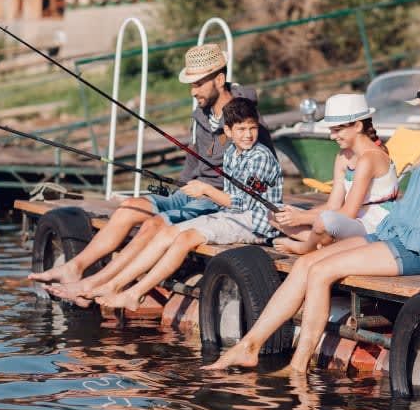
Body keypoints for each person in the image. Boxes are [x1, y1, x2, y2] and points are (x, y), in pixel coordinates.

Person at [203, 73, 420, 373]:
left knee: (321, 272)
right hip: (401, 234)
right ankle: (249, 345)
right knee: (306, 264)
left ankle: (297, 366)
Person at [29, 43, 274, 290]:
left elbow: (264, 169)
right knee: (129, 207)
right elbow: (193, 162)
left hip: (215, 200)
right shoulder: (201, 115)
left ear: (219, 79)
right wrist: (170, 190)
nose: (193, 91)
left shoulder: (247, 121)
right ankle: (75, 268)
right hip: (188, 192)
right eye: (191, 84)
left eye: (198, 83)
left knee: (154, 224)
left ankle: (97, 283)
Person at [62, 96, 282, 311]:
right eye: (241, 130)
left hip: (255, 221)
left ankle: (134, 293)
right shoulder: (232, 152)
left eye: (252, 128)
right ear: (228, 131)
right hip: (231, 215)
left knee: (185, 238)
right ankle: (112, 286)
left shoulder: (260, 157)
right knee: (167, 233)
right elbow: (232, 201)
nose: (248, 135)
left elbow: (245, 202)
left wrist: (205, 190)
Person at [271, 93, 397, 255]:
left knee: (325, 221)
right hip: (350, 223)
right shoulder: (343, 156)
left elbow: (348, 213)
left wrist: (301, 218)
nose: (332, 136)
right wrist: (297, 215)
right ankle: (322, 242)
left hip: (375, 227)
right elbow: (333, 206)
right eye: (332, 130)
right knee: (275, 215)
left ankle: (305, 247)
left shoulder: (370, 158)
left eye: (337, 130)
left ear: (358, 126)